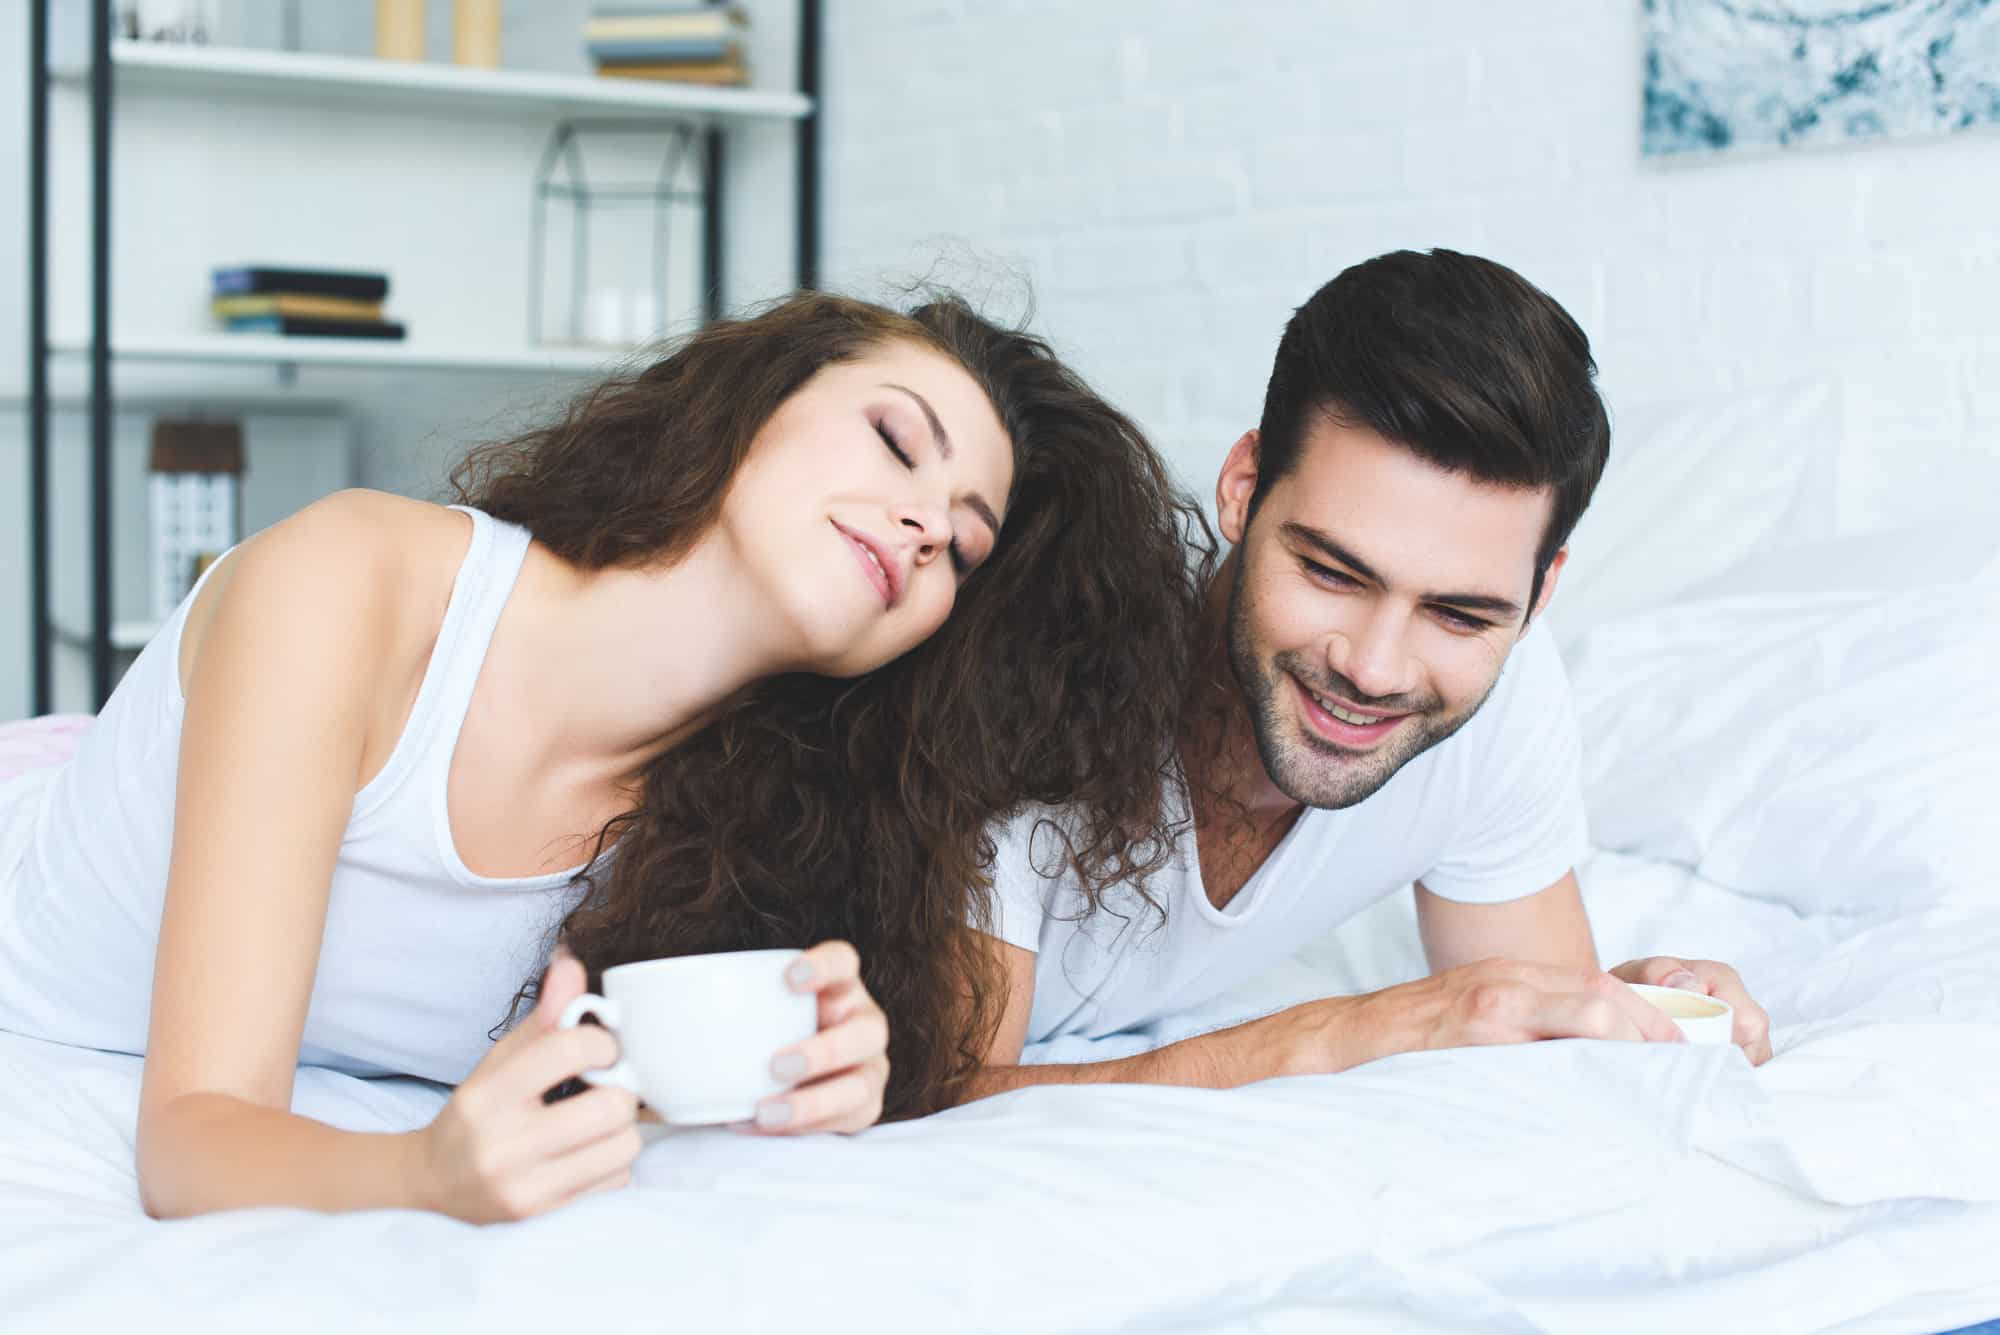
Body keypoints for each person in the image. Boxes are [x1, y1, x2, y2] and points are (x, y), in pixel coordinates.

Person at [0, 291, 1209, 1221]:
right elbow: (193, 1140)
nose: (920, 524)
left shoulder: (757, 836)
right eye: (897, 442)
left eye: (961, 544)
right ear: (749, 401)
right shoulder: (351, 586)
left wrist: (812, 1078)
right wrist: (422, 1175)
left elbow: (590, 1087)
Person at [968, 249, 1774, 1097]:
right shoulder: (1042, 660)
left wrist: (1633, 1012)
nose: (1375, 668)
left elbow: (1515, 1011)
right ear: (1243, 488)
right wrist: (1353, 1029)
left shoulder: (1503, 692)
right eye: (1333, 574)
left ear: (1540, 593)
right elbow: (932, 1096)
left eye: (1458, 614)